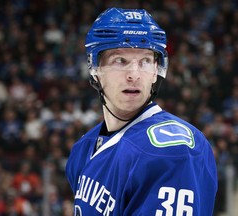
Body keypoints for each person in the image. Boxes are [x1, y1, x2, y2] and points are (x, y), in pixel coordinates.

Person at [66, 8, 217, 216]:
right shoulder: (83, 149)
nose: (134, 75)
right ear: (95, 68)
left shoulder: (174, 150)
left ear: (156, 70)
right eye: (120, 60)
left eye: (145, 61)